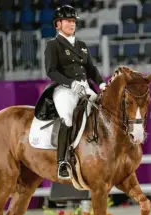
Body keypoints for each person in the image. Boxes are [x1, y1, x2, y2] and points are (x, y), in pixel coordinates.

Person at [44, 4, 107, 180]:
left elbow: (91, 68)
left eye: (73, 21)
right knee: (68, 117)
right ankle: (62, 162)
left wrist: (101, 84)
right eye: (68, 21)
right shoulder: (53, 45)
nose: (72, 24)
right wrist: (70, 83)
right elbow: (51, 71)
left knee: (103, 112)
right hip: (64, 89)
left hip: (85, 87)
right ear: (58, 24)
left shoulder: (81, 45)